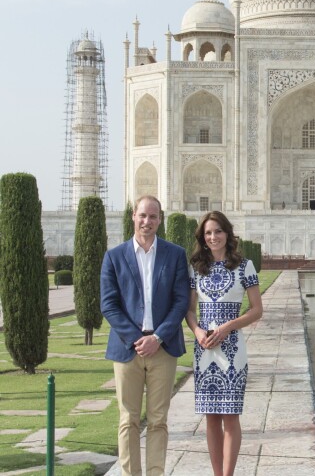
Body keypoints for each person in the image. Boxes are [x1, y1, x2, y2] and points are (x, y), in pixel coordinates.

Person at [100, 195, 190, 476]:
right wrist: (136, 338)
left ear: (159, 220)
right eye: (142, 216)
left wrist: (158, 337)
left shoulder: (174, 254)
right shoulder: (114, 256)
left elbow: (180, 300)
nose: (147, 222)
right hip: (128, 349)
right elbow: (109, 304)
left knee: (158, 420)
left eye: (153, 217)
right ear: (133, 217)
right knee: (128, 419)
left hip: (162, 348)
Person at [186, 211, 263, 476]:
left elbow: (256, 310)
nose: (213, 237)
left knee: (230, 417)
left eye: (218, 231)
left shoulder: (244, 266)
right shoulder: (197, 268)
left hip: (231, 350)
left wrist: (228, 326)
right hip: (205, 349)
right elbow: (190, 310)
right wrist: (197, 331)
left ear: (227, 234)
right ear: (202, 238)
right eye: (208, 233)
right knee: (211, 418)